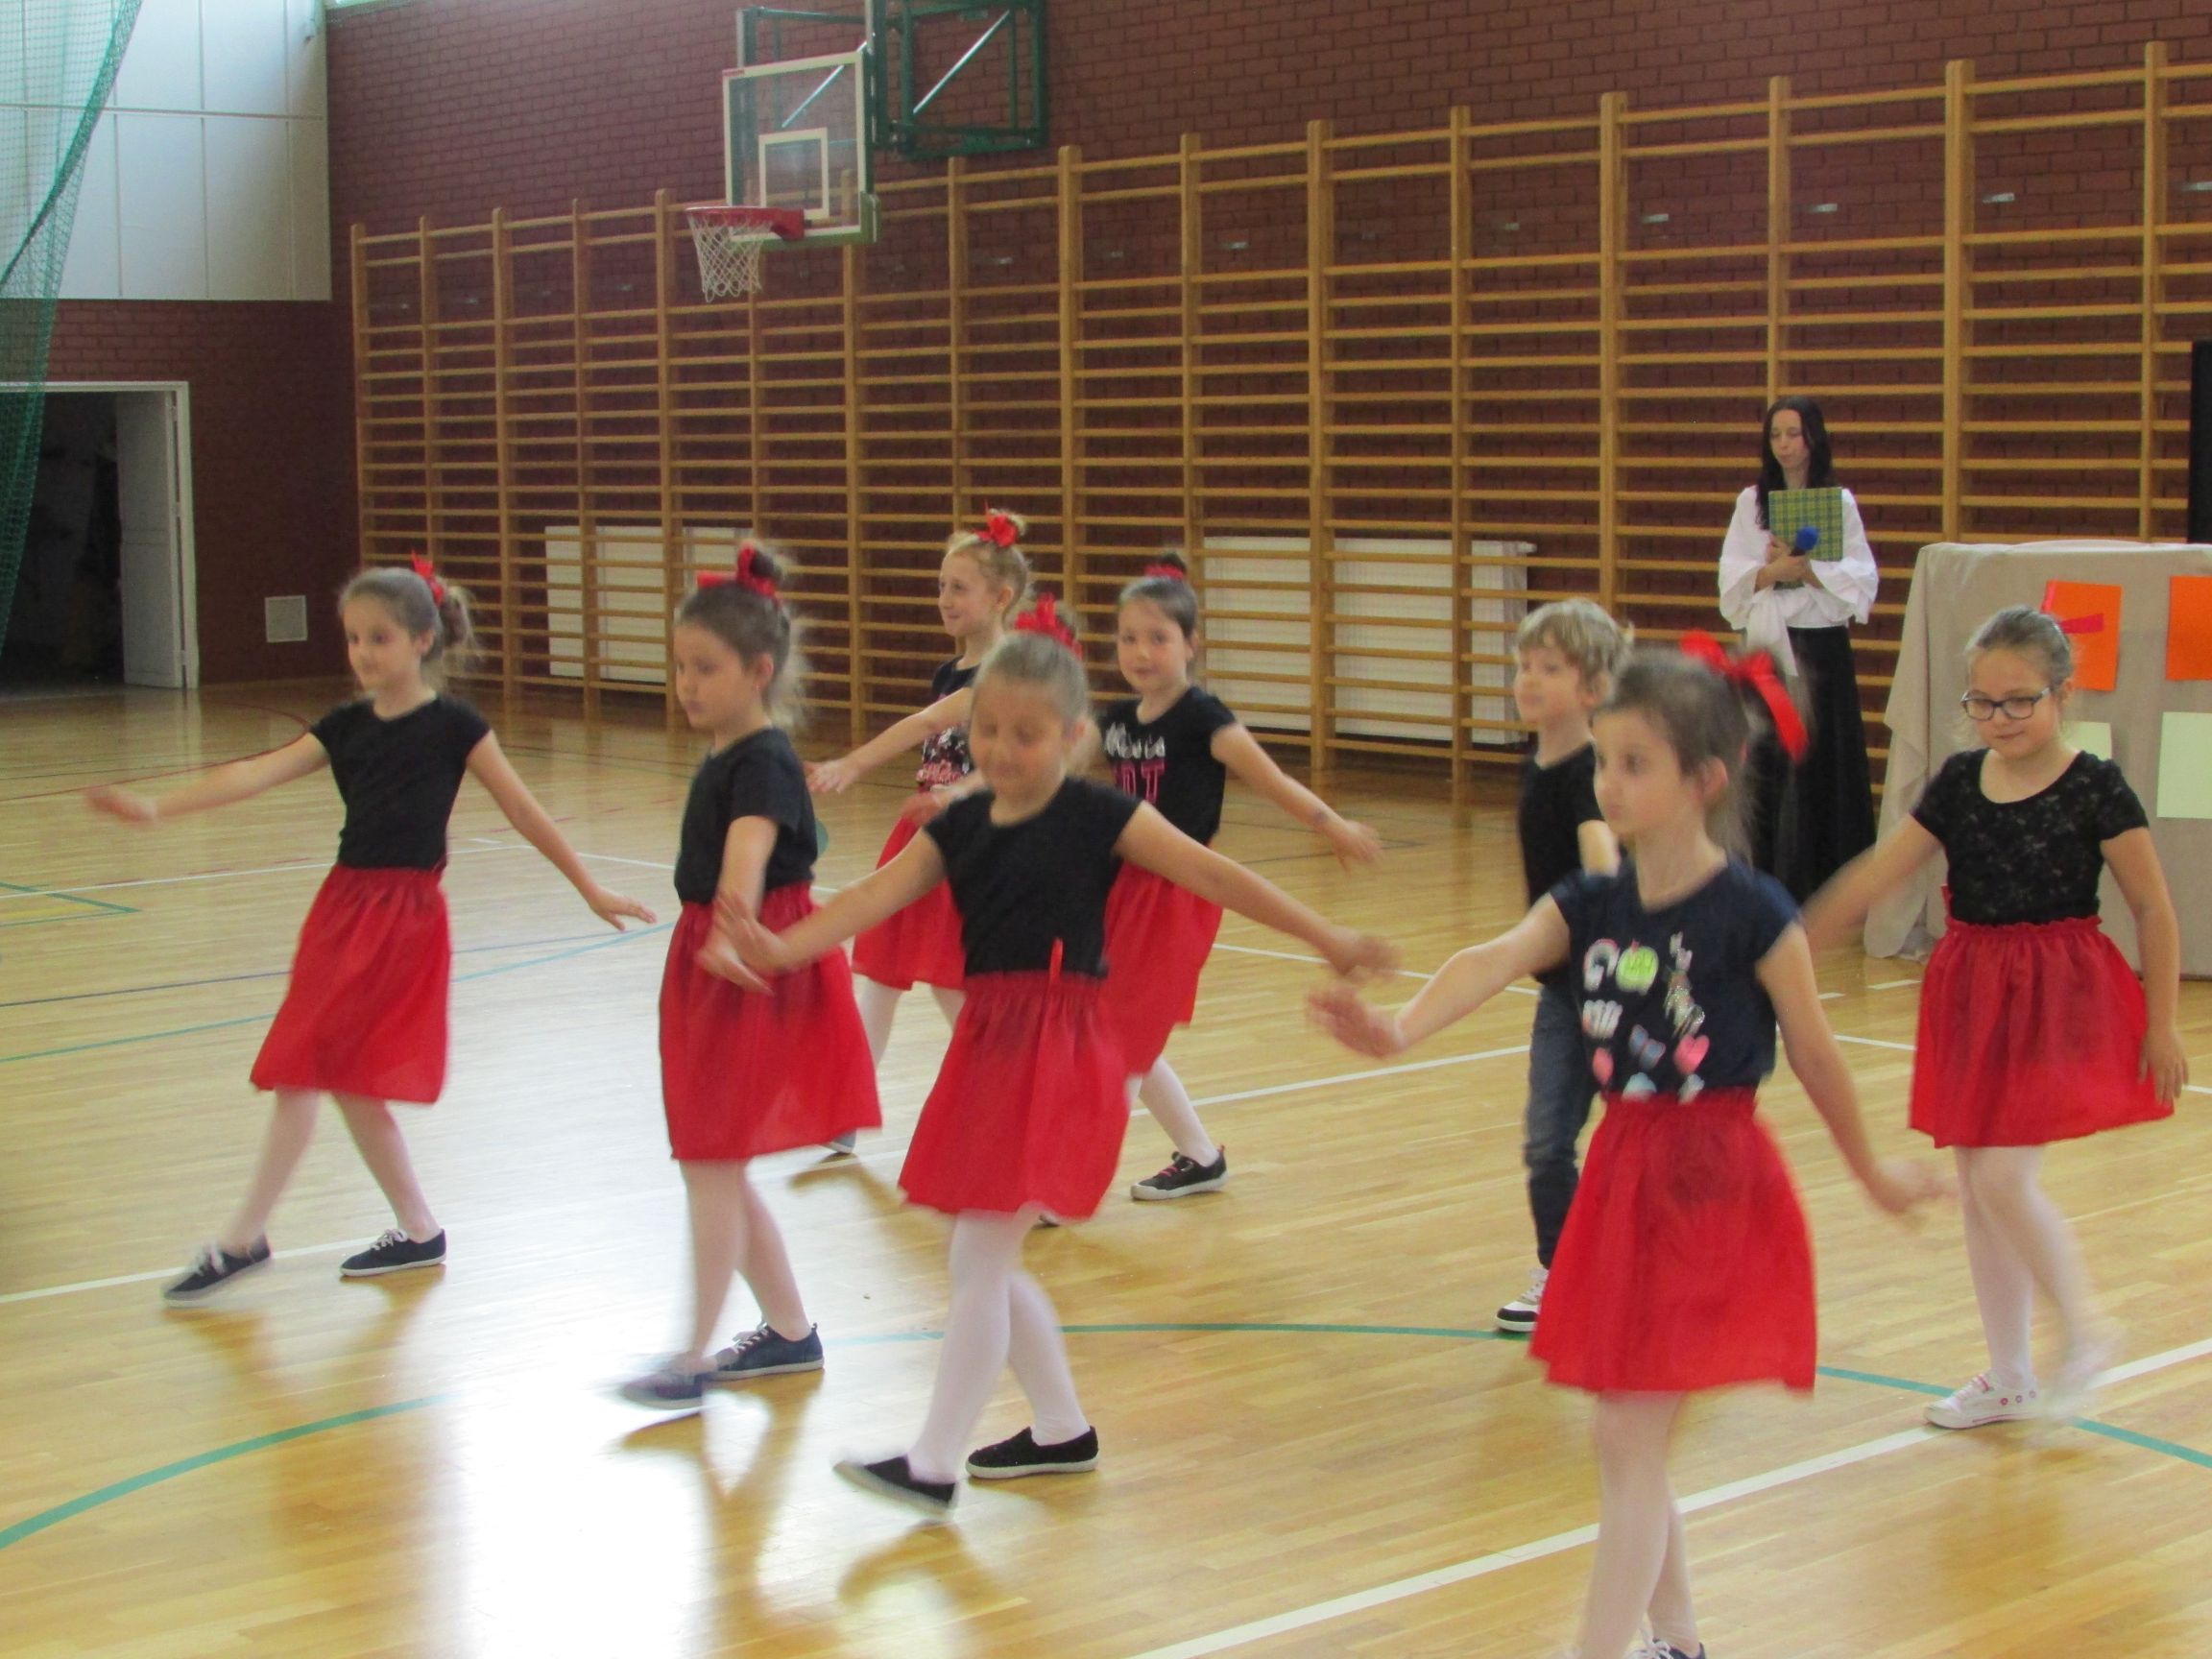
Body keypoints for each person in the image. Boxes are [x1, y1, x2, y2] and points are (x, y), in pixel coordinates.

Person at [1312, 639, 1938, 1659]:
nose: (1607, 782)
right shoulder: (1593, 900)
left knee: (1625, 1434)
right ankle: (1678, 1640)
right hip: (1625, 1171)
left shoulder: (1754, 915)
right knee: (1627, 1437)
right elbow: (1493, 957)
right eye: (1604, 760)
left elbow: (1819, 1055)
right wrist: (1397, 1030)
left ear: (1705, 780)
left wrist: (1874, 1173)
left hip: (1710, 1181)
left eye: (1634, 763)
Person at [721, 601, 1394, 1519]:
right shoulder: (961, 823)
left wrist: (1329, 937)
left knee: (981, 1255)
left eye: (1027, 734)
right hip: (992, 1045)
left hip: (1060, 1051)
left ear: (1076, 737)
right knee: (983, 1259)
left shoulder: (1100, 815)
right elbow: (872, 898)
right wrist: (780, 948)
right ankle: (1061, 1429)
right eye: (988, 730)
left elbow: (1217, 875)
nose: (1001, 749)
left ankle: (933, 1461)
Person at [86, 558, 653, 1304]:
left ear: (423, 640)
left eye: (378, 638)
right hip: (340, 909)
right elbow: (254, 773)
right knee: (347, 1083)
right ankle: (418, 1231)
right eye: (353, 638)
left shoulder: (455, 727)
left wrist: (588, 887)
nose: (361, 653)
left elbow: (523, 810)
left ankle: (243, 1239)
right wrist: (160, 807)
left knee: (302, 1069)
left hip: (403, 920)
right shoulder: (344, 727)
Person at [1803, 605, 2182, 1428]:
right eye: (1982, 702)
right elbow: (1880, 873)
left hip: (2057, 994)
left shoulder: (2095, 787)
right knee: (1980, 1188)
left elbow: (2153, 908)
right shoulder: (1959, 782)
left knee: (2005, 1179)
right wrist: (1793, 944)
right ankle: (2010, 1375)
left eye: (2019, 701)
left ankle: (2086, 1327)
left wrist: (2162, 1024)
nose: (1999, 718)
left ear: (2063, 695)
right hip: (1973, 991)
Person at [619, 544, 881, 1407]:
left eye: (706, 668)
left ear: (759, 671)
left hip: (747, 960)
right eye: (681, 666)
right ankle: (790, 1333)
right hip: (716, 956)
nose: (686, 684)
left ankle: (692, 1355)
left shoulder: (764, 760)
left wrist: (731, 932)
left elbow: (750, 853)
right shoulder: (733, 752)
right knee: (716, 1163)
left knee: (711, 1162)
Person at [1099, 552, 1382, 1203]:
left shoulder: (1203, 718)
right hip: (1122, 889)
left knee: (1124, 1036)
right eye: (1129, 638)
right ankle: (1201, 1156)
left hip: (1182, 893)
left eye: (1158, 638)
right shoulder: (1115, 722)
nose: (1141, 652)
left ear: (1192, 645)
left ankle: (1062, 1181)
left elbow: (1271, 780)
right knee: (1123, 1029)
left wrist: (1331, 824)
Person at [805, 510, 1031, 1152]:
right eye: (941, 586)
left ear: (1001, 597)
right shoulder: (951, 668)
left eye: (959, 587)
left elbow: (952, 739)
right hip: (925, 835)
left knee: (953, 984)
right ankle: (848, 1110)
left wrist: (855, 763)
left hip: (973, 844)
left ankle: (1010, 1107)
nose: (945, 599)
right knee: (882, 972)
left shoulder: (1008, 670)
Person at [1493, 598, 1630, 1334]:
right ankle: (1566, 1269)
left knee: (1643, 1144)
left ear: (1594, 687)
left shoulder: (1589, 772)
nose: (1529, 679)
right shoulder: (1536, 764)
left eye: (1550, 668)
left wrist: (1601, 906)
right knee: (1546, 1144)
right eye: (1524, 665)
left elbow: (1600, 852)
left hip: (1617, 993)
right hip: (1559, 993)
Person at [1718, 395, 1877, 899]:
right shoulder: (1751, 502)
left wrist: (1807, 570)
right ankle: (1763, 876)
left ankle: (1832, 881)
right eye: (1776, 435)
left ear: (1813, 439)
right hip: (1769, 644)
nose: (1784, 444)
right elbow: (1731, 579)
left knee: (1823, 758)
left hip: (1822, 646)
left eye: (1794, 433)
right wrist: (1772, 571)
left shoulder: (1839, 501)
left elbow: (1863, 578)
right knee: (1768, 758)